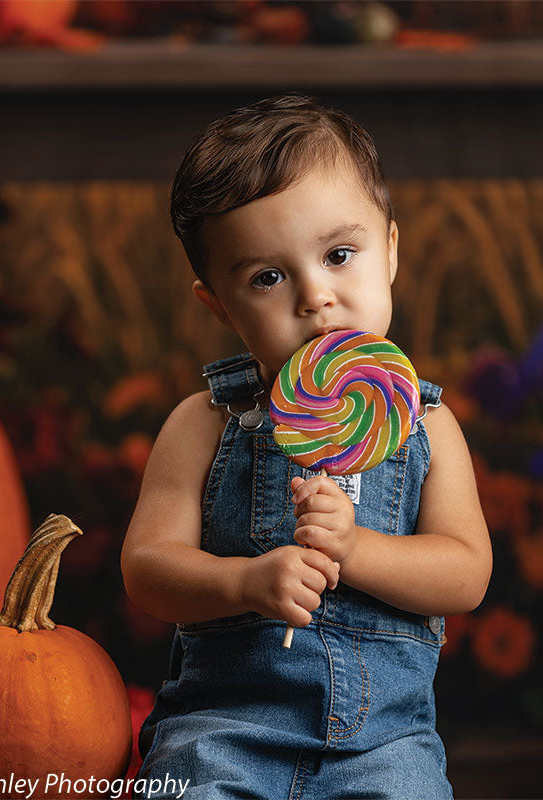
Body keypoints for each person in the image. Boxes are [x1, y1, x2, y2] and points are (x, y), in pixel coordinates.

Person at [121, 94, 492, 800]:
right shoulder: (204, 423)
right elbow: (147, 569)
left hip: (386, 743)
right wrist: (244, 583)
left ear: (389, 251)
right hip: (224, 731)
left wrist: (356, 549)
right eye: (268, 276)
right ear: (219, 306)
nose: (315, 296)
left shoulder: (426, 425)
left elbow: (466, 572)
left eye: (339, 254)